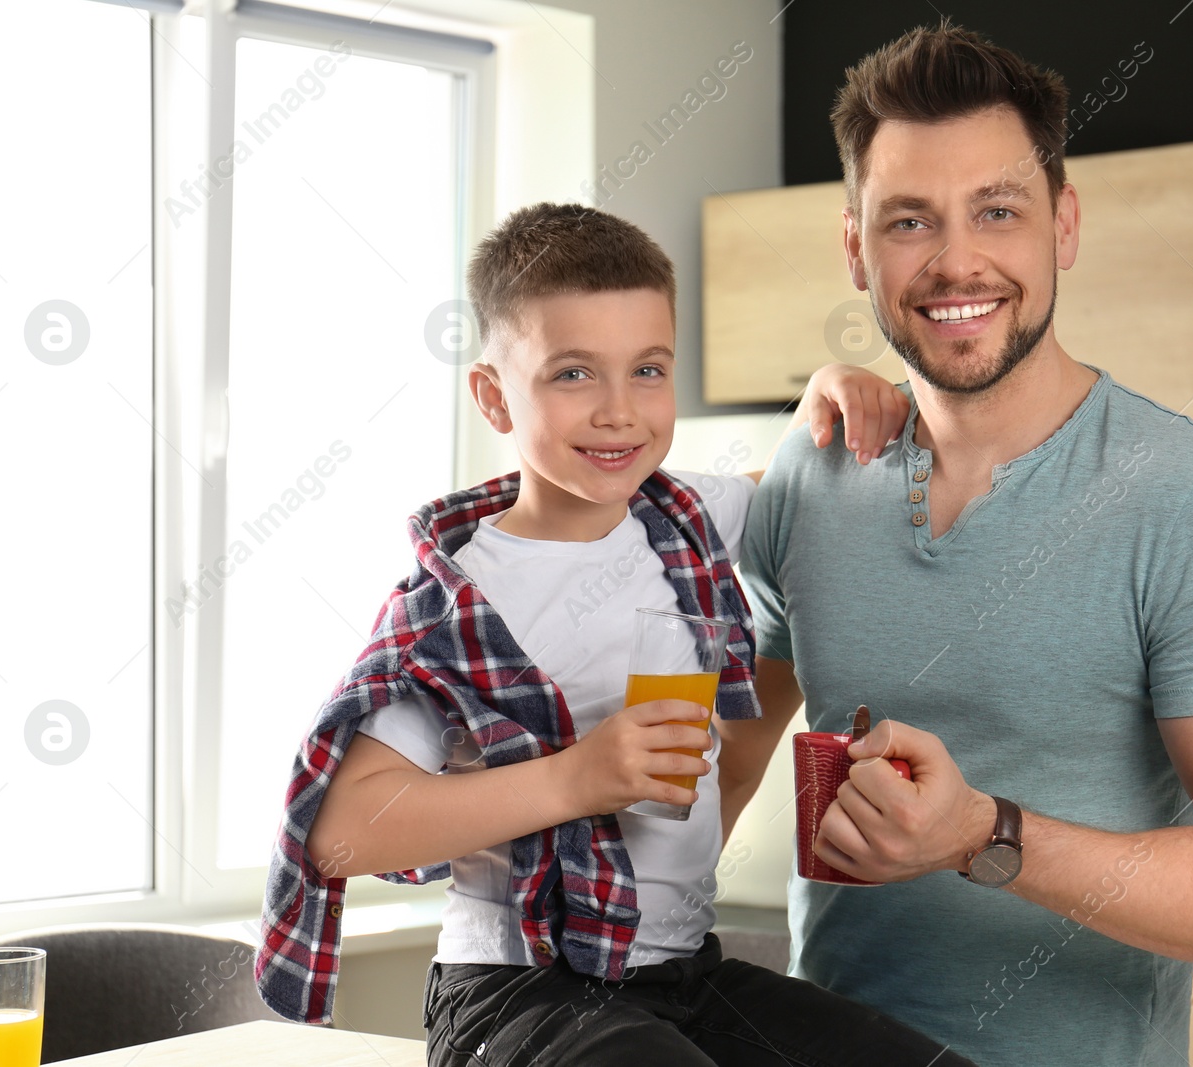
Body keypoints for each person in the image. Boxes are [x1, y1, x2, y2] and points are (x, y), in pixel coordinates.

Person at [718, 22, 1193, 1067]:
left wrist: (981, 834)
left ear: (1062, 225)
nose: (955, 259)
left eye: (996, 211)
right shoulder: (811, 476)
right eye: (908, 219)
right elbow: (703, 780)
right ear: (855, 247)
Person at [254, 202, 972, 1066]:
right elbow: (343, 830)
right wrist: (578, 776)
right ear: (492, 395)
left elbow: (798, 485)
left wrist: (827, 386)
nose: (619, 412)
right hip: (514, 988)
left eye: (649, 370)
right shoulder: (460, 597)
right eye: (572, 375)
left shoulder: (689, 518)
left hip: (682, 974)